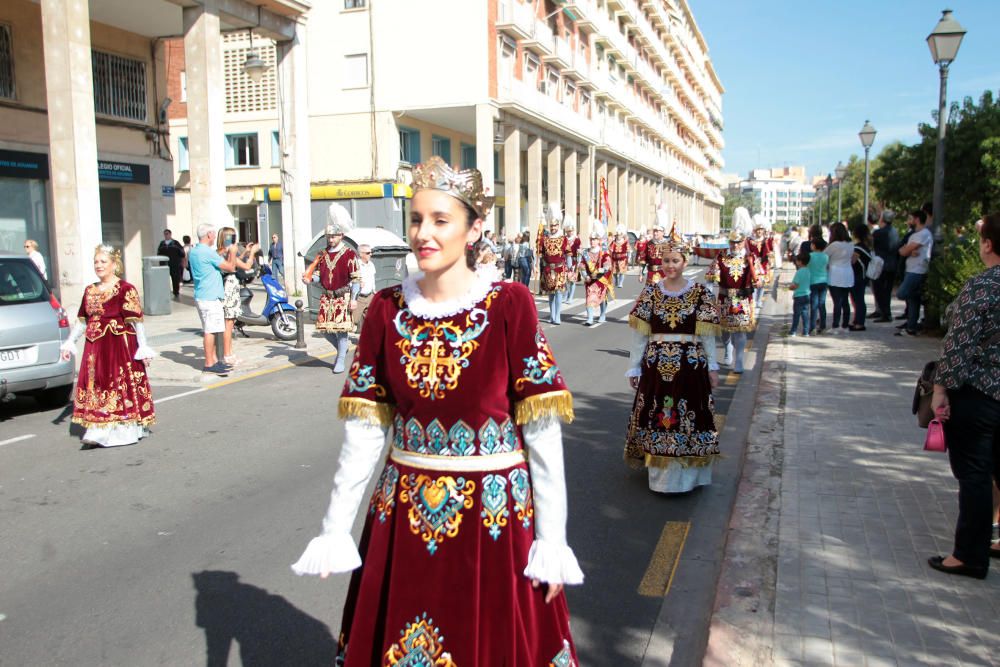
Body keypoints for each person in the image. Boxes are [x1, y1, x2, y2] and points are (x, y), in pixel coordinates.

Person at [291, 155, 582, 665]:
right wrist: (335, 529)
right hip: (404, 518)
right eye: (417, 219)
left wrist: (551, 543)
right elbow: (364, 434)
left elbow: (541, 433)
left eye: (441, 220)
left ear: (473, 231)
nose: (424, 233)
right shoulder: (385, 309)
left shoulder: (509, 304)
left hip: (493, 522)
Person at [927, 214, 1000, 580]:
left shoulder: (983, 286)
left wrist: (941, 389)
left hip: (980, 392)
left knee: (974, 474)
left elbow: (959, 345)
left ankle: (969, 556)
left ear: (987, 244)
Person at [625, 224, 721, 492]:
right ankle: (661, 478)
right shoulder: (652, 292)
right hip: (656, 366)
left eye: (675, 260)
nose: (670, 265)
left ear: (684, 262)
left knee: (691, 414)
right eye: (666, 260)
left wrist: (712, 367)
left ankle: (690, 477)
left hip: (691, 365)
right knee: (660, 413)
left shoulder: (701, 293)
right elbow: (640, 335)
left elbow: (708, 336)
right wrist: (634, 366)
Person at [59, 244, 155, 447]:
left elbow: (136, 321)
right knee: (97, 385)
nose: (99, 265)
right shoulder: (90, 290)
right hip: (95, 348)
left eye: (103, 262)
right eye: (96, 262)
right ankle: (98, 428)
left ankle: (119, 432)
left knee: (116, 386)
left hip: (118, 347)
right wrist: (70, 342)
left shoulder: (125, 289)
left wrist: (143, 348)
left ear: (114, 264)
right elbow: (83, 321)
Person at [302, 205, 360, 373]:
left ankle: (340, 358)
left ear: (340, 236)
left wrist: (354, 298)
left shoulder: (349, 254)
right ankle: (342, 349)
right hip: (327, 297)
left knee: (341, 330)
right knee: (325, 331)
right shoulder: (323, 254)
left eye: (333, 236)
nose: (330, 239)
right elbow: (319, 274)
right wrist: (309, 279)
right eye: (329, 237)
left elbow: (356, 277)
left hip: (342, 296)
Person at [705, 215, 757, 374]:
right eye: (733, 242)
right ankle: (728, 348)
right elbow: (710, 276)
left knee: (740, 330)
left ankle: (739, 361)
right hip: (724, 299)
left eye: (739, 242)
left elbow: (759, 276)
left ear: (744, 242)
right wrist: (709, 295)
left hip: (743, 300)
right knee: (725, 331)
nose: (735, 245)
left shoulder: (750, 258)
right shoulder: (721, 257)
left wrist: (758, 280)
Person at [189, 222, 238, 376]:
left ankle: (214, 360)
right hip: (210, 296)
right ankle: (210, 363)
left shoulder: (194, 251)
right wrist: (233, 252)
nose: (215, 237)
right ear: (209, 235)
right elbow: (231, 267)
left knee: (210, 329)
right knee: (211, 331)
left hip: (202, 294)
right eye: (213, 234)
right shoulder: (207, 252)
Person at [217, 228, 258, 365]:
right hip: (229, 286)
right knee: (229, 322)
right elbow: (246, 266)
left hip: (228, 286)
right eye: (232, 237)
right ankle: (227, 354)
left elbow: (233, 262)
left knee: (229, 321)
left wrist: (244, 251)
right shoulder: (226, 252)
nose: (234, 239)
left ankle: (227, 352)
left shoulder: (220, 252)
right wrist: (252, 253)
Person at [895, 209, 933, 337]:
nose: (909, 221)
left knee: (902, 293)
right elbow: (901, 249)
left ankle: (915, 322)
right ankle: (911, 327)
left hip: (917, 270)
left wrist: (907, 250)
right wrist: (908, 251)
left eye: (911, 218)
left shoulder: (923, 234)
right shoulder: (914, 234)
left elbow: (904, 251)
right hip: (911, 269)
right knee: (912, 299)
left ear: (917, 219)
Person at [538, 203, 571, 325]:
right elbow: (540, 254)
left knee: (558, 292)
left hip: (559, 269)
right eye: (551, 226)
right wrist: (536, 264)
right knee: (550, 293)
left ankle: (558, 315)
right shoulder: (544, 239)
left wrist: (570, 267)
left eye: (555, 225)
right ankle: (552, 315)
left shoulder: (563, 239)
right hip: (547, 269)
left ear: (558, 225)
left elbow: (568, 254)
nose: (552, 228)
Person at [579, 223, 614, 326]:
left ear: (599, 241)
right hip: (589, 279)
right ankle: (590, 318)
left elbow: (607, 265)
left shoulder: (603, 252)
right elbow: (582, 265)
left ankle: (602, 314)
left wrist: (598, 273)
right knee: (589, 297)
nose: (592, 241)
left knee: (602, 297)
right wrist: (585, 275)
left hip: (600, 279)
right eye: (591, 239)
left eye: (594, 239)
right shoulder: (586, 252)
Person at [824, 222, 854, 333]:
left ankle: (835, 325)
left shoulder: (834, 245)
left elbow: (824, 256)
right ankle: (845, 325)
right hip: (848, 273)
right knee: (845, 301)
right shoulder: (850, 244)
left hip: (835, 274)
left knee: (837, 301)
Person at [871, 210, 898, 322]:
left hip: (880, 264)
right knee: (888, 290)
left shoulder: (878, 233)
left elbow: (872, 245)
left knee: (879, 289)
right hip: (892, 263)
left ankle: (885, 313)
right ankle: (886, 313)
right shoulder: (895, 231)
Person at [848, 223, 874, 331]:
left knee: (858, 300)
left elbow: (852, 261)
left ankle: (859, 323)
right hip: (863, 276)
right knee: (858, 299)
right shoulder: (866, 246)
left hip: (858, 276)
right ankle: (857, 321)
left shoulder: (858, 248)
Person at [747, 215, 774, 309]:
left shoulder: (767, 241)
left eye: (761, 230)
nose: (759, 231)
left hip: (763, 265)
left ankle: (759, 301)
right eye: (758, 229)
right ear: (755, 231)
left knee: (762, 284)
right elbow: (748, 252)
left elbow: (770, 251)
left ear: (763, 231)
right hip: (754, 266)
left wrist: (769, 257)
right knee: (754, 284)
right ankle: (753, 300)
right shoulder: (750, 241)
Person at [640, 211, 670, 285]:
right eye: (654, 231)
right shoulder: (649, 244)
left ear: (663, 232)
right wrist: (641, 273)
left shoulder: (667, 244)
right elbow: (643, 259)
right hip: (651, 273)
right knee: (650, 294)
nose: (655, 233)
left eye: (657, 231)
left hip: (664, 273)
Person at [352, 243, 376, 333]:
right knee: (354, 321)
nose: (371, 254)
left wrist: (374, 290)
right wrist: (356, 284)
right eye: (368, 253)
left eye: (371, 252)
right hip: (359, 297)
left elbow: (372, 278)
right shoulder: (355, 265)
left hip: (370, 296)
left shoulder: (371, 265)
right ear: (361, 254)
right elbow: (347, 280)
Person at [808, 238, 829, 335]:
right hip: (824, 281)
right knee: (822, 304)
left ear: (814, 246)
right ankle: (823, 326)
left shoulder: (810, 256)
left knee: (814, 305)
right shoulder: (826, 256)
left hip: (813, 282)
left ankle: (812, 328)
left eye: (812, 244)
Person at [788, 251, 812, 337]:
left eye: (797, 261)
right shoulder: (809, 271)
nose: (796, 262)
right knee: (805, 313)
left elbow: (795, 285)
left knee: (797, 314)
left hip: (799, 296)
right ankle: (806, 331)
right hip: (807, 294)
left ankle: (793, 331)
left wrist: (790, 288)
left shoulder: (799, 272)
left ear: (800, 262)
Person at [157, 229, 186, 299]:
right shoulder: (162, 244)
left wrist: (182, 262)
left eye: (167, 234)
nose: (166, 235)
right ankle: (165, 292)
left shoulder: (175, 243)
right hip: (164, 265)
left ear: (170, 234)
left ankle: (176, 292)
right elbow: (158, 253)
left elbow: (182, 253)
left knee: (175, 279)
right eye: (165, 234)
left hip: (174, 265)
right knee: (164, 279)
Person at [563, 221, 581, 303]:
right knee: (565, 279)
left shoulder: (576, 239)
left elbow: (578, 250)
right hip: (565, 261)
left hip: (573, 261)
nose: (569, 232)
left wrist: (578, 260)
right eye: (568, 231)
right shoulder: (564, 239)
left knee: (572, 280)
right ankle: (566, 295)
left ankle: (571, 297)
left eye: (571, 231)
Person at [609, 225, 630, 289]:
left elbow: (628, 251)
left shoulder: (625, 242)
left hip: (622, 259)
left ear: (622, 235)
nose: (618, 236)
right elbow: (610, 249)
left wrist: (628, 258)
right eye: (617, 235)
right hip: (614, 259)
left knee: (622, 271)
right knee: (614, 272)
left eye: (620, 235)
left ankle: (620, 283)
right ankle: (616, 280)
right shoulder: (613, 242)